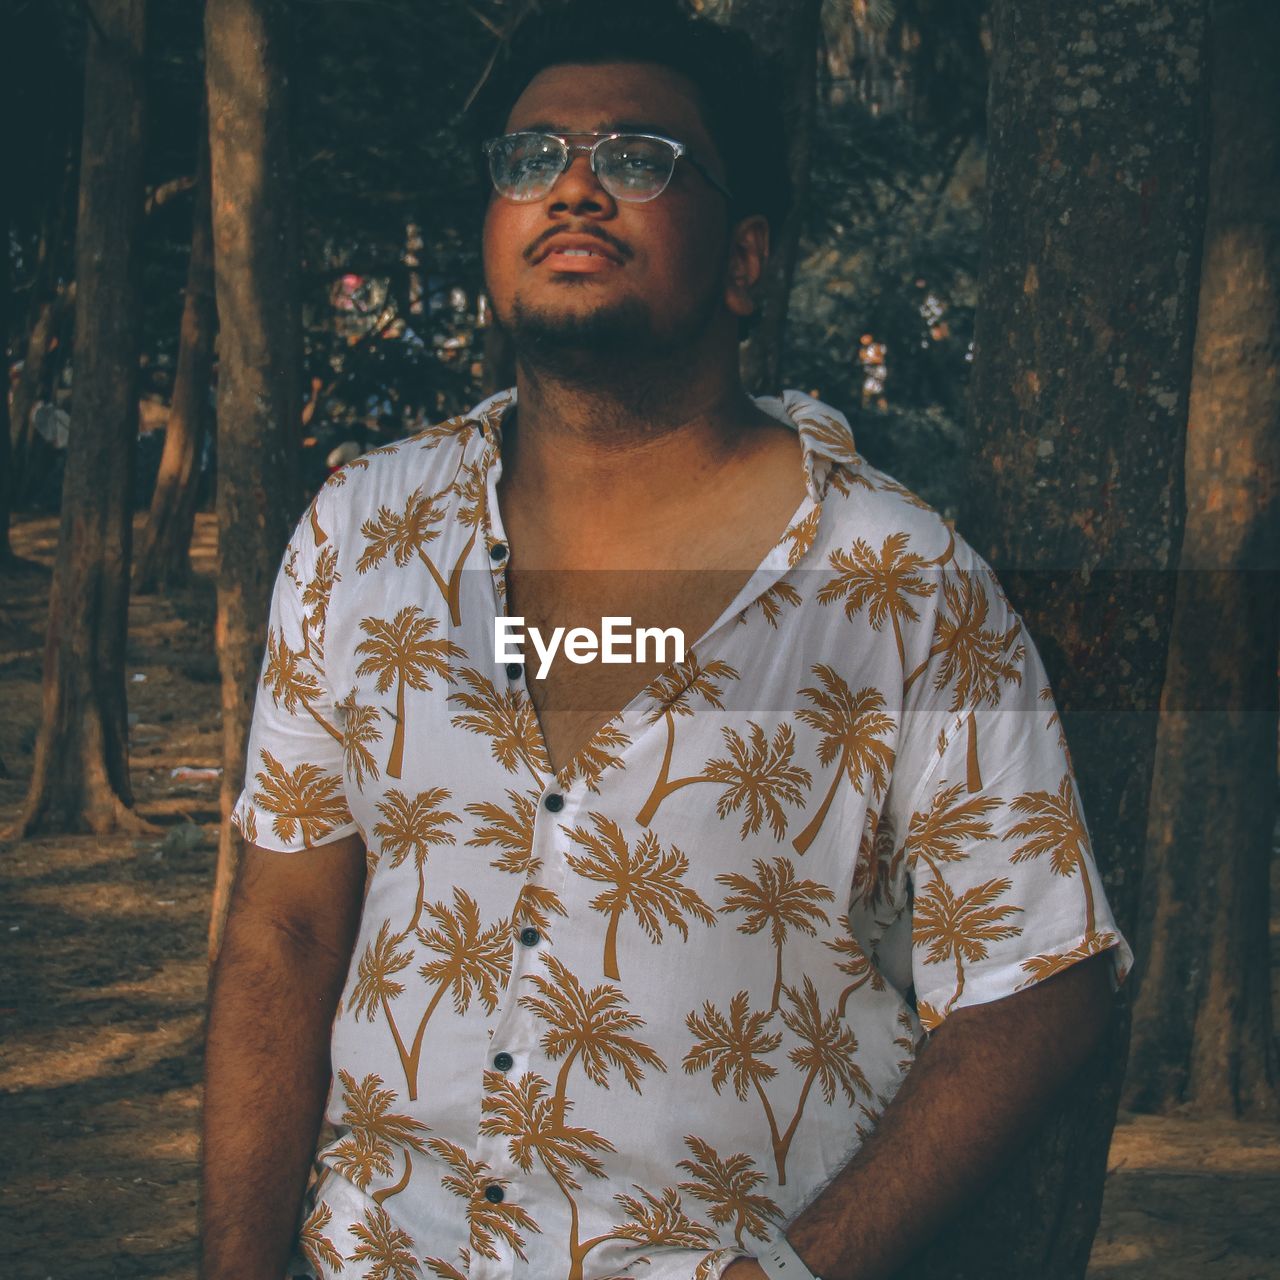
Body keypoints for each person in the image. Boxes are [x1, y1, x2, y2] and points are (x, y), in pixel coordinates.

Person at [200, 4, 1132, 1279]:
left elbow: (1039, 980)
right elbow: (285, 930)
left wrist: (798, 1267)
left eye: (637, 158)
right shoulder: (358, 536)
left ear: (745, 259)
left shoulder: (902, 587)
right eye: (529, 161)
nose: (573, 187)